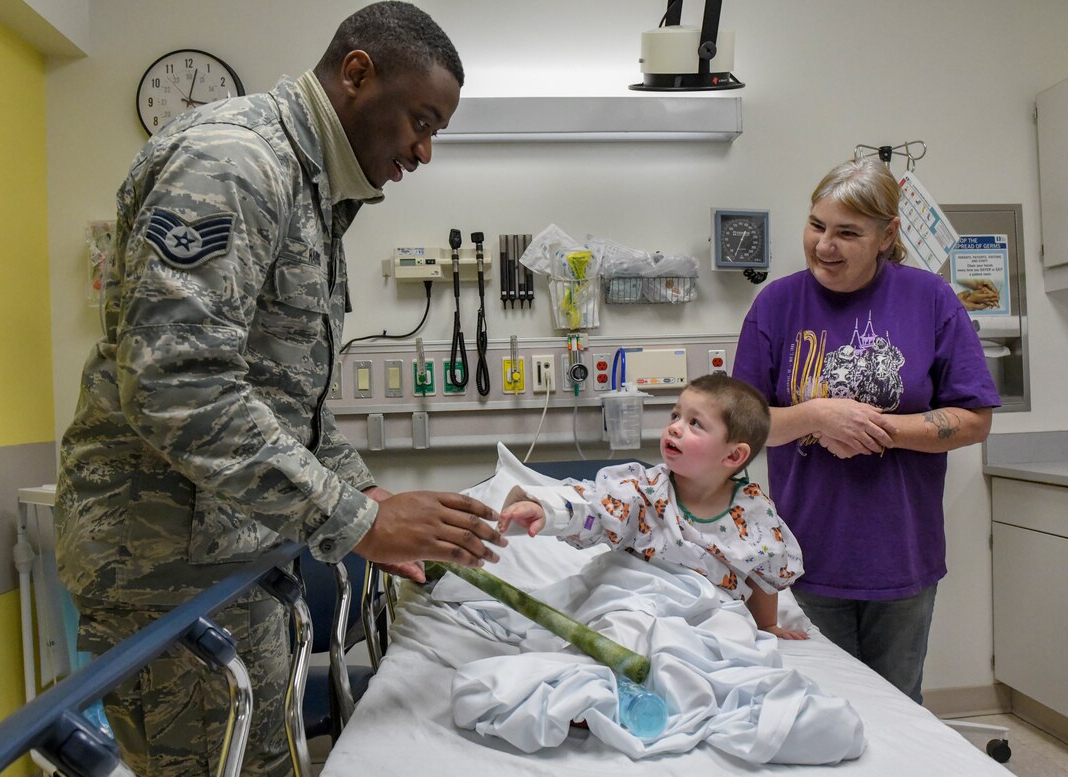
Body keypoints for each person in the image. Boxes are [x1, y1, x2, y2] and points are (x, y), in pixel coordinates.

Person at [55, 4, 505, 775]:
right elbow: (177, 385)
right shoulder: (236, 164)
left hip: (227, 551)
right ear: (357, 73)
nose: (424, 152)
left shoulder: (315, 191)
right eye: (420, 122)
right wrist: (356, 520)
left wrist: (368, 495)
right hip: (168, 567)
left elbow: (288, 391)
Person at [732, 158, 1000, 703]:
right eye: (816, 226)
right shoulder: (777, 304)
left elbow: (974, 420)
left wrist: (879, 429)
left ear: (887, 235)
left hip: (900, 556)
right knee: (814, 713)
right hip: (802, 555)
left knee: (897, 713)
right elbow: (739, 428)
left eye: (847, 233)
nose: (824, 245)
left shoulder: (930, 300)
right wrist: (814, 416)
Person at [499, 374, 808, 640]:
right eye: (675, 416)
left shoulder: (754, 513)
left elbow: (763, 573)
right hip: (636, 596)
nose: (675, 428)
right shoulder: (643, 490)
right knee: (623, 625)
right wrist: (548, 512)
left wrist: (767, 626)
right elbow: (594, 509)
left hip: (708, 612)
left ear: (733, 456)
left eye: (695, 423)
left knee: (733, 633)